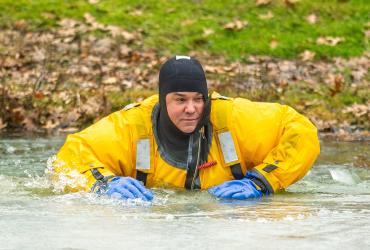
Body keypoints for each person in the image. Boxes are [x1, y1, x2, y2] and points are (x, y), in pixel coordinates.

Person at [53, 55, 320, 201]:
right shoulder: (132, 126)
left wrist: (262, 181)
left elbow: (301, 130)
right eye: (180, 100)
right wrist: (104, 183)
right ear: (162, 98)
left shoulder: (232, 117)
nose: (191, 109)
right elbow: (70, 155)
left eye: (197, 99)